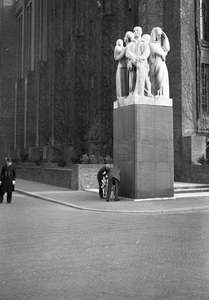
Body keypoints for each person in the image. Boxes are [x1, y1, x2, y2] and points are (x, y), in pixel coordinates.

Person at [125, 26, 150, 96]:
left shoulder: (144, 43)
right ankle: (133, 91)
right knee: (132, 78)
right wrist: (135, 58)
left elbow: (147, 52)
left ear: (141, 32)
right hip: (133, 62)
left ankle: (145, 92)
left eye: (138, 30)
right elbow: (128, 53)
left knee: (145, 79)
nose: (136, 32)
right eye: (134, 30)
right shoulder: (130, 44)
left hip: (142, 62)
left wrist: (141, 57)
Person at [149, 27, 170, 98]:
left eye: (160, 35)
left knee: (162, 79)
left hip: (162, 64)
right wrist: (164, 54)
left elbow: (167, 49)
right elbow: (162, 53)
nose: (159, 36)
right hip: (155, 64)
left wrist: (165, 38)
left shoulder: (159, 45)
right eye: (157, 34)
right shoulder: (151, 44)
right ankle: (156, 93)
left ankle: (161, 94)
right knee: (157, 79)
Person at [114, 32, 134, 100]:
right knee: (122, 82)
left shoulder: (128, 47)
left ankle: (123, 95)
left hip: (127, 66)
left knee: (124, 82)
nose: (124, 38)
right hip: (123, 66)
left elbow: (118, 57)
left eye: (125, 36)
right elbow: (117, 58)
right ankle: (121, 96)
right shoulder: (124, 48)